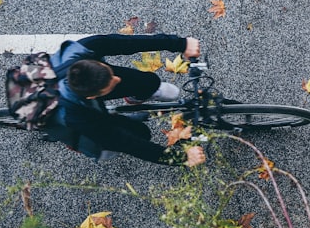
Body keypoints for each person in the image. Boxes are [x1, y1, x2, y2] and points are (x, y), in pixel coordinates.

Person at [43, 33, 205, 166]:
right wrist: (181, 158)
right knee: (139, 134)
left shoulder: (82, 49)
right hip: (73, 116)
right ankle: (112, 123)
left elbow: (127, 42)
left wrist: (180, 44)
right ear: (91, 96)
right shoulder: (76, 117)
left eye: (110, 74)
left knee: (148, 81)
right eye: (110, 84)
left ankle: (134, 98)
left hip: (73, 88)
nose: (117, 80)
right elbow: (128, 144)